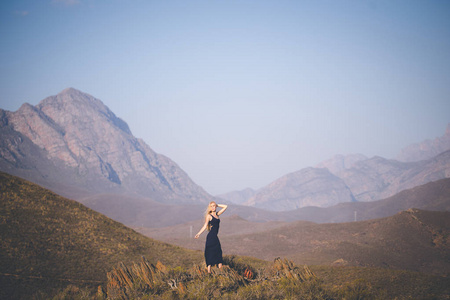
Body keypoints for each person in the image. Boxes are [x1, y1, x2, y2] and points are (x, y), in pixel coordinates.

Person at [195, 201, 228, 273]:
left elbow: (225, 206)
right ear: (210, 208)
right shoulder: (209, 216)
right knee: (209, 252)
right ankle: (209, 271)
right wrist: (198, 233)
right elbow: (205, 225)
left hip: (215, 236)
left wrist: (217, 205)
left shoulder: (217, 214)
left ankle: (221, 271)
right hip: (211, 237)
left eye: (214, 206)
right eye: (211, 206)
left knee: (218, 251)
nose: (213, 207)